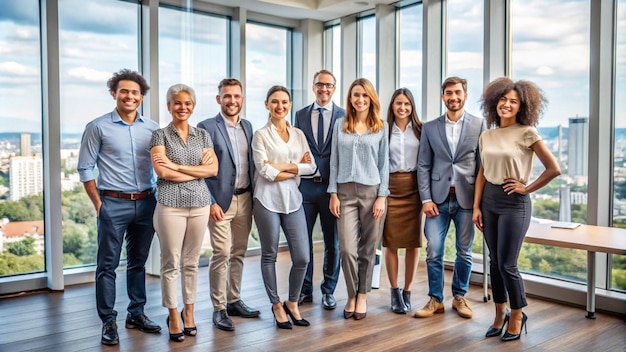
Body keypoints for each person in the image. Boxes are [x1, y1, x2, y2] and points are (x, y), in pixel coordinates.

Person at [77, 69, 161, 345]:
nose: (129, 96)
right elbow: (85, 168)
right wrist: (100, 205)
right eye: (124, 91)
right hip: (113, 203)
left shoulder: (152, 128)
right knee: (108, 266)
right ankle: (108, 321)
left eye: (134, 92)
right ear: (114, 94)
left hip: (147, 202)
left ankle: (136, 313)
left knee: (138, 263)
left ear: (141, 97)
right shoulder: (97, 126)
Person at [473, 77, 560, 341]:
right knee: (494, 262)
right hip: (489, 200)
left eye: (513, 101)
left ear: (522, 106)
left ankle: (518, 314)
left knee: (508, 264)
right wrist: (476, 206)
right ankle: (499, 314)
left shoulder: (528, 132)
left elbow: (553, 168)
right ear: (494, 101)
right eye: (503, 99)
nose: (507, 105)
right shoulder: (487, 135)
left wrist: (527, 188)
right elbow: (483, 172)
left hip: (514, 202)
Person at [150, 83, 218, 342]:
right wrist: (194, 169)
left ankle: (188, 311)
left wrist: (177, 164)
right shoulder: (159, 135)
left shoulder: (202, 135)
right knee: (171, 263)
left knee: (191, 263)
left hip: (200, 204)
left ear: (193, 106)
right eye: (177, 103)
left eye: (187, 103)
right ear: (169, 106)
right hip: (170, 205)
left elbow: (212, 170)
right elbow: (162, 173)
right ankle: (173, 315)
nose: (183, 107)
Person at [415, 77, 485, 319]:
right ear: (442, 96)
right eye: (448, 93)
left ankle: (459, 297)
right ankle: (435, 299)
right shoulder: (430, 127)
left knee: (464, 252)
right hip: (437, 200)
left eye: (458, 92)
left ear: (465, 95)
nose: (453, 97)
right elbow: (423, 164)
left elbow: (482, 167)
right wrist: (426, 198)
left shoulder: (479, 124)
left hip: (467, 200)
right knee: (434, 250)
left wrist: (479, 204)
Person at [197, 78, 260, 331]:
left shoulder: (248, 126)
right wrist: (210, 201)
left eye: (236, 96)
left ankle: (234, 299)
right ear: (218, 99)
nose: (232, 101)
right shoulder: (206, 127)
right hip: (220, 202)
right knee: (221, 252)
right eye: (227, 96)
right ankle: (219, 307)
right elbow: (201, 170)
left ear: (242, 99)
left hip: (246, 198)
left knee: (239, 252)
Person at [252, 85, 316, 329]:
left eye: (285, 102)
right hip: (266, 200)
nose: (280, 106)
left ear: (290, 105)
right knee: (269, 254)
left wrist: (282, 166)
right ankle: (276, 304)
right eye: (275, 101)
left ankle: (292, 302)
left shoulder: (299, 134)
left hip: (293, 199)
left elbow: (312, 168)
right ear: (267, 104)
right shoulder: (260, 135)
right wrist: (295, 165)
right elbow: (264, 171)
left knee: (302, 257)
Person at [328, 78, 389, 320]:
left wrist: (382, 197)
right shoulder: (339, 125)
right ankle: (352, 293)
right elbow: (333, 161)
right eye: (355, 95)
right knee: (346, 249)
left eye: (364, 95)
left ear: (371, 98)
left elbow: (384, 165)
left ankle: (361, 295)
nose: (360, 99)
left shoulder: (381, 127)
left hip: (372, 192)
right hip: (344, 192)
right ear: (350, 98)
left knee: (368, 248)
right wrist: (333, 192)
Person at [294, 69, 345, 310]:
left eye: (328, 85)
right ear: (313, 87)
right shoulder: (300, 115)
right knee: (303, 242)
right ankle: (305, 290)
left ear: (334, 88)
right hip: (304, 188)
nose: (324, 89)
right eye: (319, 84)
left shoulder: (345, 116)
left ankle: (329, 290)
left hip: (331, 189)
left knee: (332, 242)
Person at [383, 88, 423, 314]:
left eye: (407, 104)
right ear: (392, 106)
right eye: (398, 103)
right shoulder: (383, 130)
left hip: (414, 189)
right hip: (389, 188)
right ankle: (394, 290)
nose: (403, 108)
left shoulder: (420, 129)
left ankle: (407, 290)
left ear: (412, 106)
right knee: (390, 242)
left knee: (412, 242)